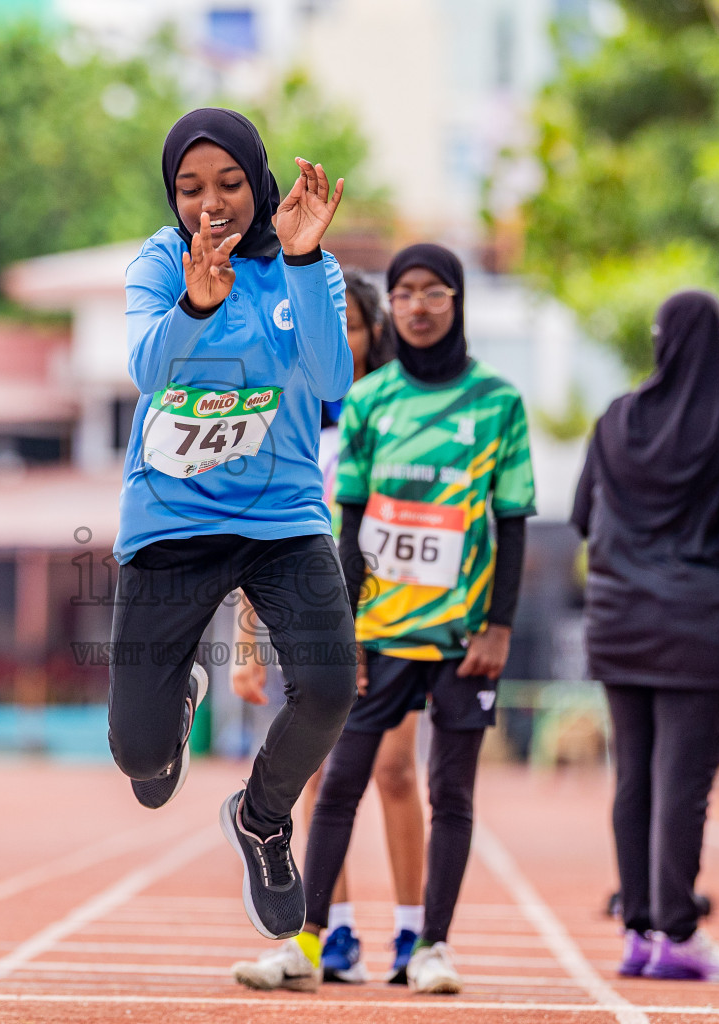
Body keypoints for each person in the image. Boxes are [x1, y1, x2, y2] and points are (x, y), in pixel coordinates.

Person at [232, 243, 536, 995]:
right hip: (381, 633)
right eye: (405, 294)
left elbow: (515, 520)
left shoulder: (499, 402)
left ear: (458, 302)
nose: (419, 307)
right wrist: (347, 633)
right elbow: (351, 527)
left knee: (450, 792)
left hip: (464, 636)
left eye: (435, 292)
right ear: (392, 306)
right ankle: (307, 942)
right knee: (337, 786)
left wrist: (500, 626)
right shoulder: (369, 404)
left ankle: (431, 945)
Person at [108, 107, 357, 940]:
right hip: (172, 518)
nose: (210, 205)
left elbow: (331, 380)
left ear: (260, 183)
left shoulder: (304, 262)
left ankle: (261, 818)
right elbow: (147, 366)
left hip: (283, 514)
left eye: (229, 185)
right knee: (142, 763)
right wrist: (195, 305)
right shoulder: (158, 261)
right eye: (190, 189)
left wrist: (302, 257)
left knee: (329, 689)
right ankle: (175, 696)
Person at [573, 290, 719, 986]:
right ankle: (680, 932)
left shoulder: (614, 420)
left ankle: (638, 929)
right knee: (682, 785)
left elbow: (581, 516)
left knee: (633, 777)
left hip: (620, 623)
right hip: (701, 626)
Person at [230, 269, 422, 984]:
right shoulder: (290, 421)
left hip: (397, 621)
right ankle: (330, 933)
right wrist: (247, 645)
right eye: (325, 326)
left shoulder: (403, 421)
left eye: (350, 325)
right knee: (314, 777)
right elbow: (263, 539)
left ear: (374, 334)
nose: (338, 338)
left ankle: (415, 933)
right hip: (314, 617)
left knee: (398, 774)